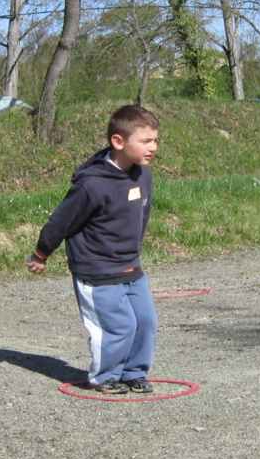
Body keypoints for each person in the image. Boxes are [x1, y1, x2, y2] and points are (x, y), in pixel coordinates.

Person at [26, 105, 160, 395]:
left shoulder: (143, 175)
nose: (154, 148)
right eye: (146, 141)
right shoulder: (92, 185)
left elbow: (142, 216)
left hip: (131, 267)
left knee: (146, 323)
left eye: (156, 140)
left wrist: (134, 250)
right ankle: (105, 376)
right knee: (117, 327)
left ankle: (133, 372)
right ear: (118, 142)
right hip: (96, 272)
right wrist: (41, 255)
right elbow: (60, 222)